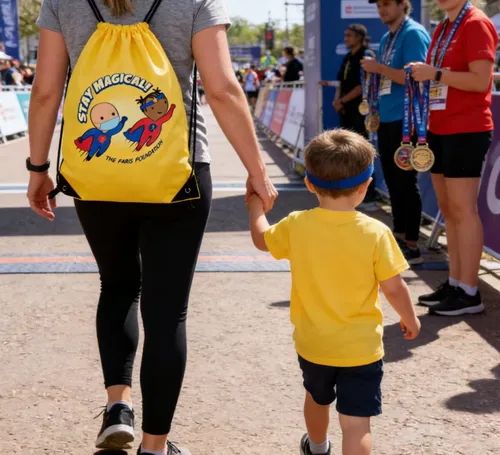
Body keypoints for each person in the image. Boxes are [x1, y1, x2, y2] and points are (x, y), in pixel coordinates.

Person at [28, 1, 278, 455]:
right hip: (178, 172)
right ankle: (154, 447)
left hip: (98, 174)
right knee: (167, 312)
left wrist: (39, 167)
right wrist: (256, 170)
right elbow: (222, 89)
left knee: (117, 285)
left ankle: (117, 406)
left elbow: (46, 91)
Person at [248, 129, 421, 455]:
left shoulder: (297, 224)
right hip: (361, 348)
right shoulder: (376, 232)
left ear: (310, 184)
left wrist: (256, 207)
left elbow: (261, 239)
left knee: (317, 399)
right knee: (356, 424)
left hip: (314, 344)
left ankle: (317, 447)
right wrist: (409, 319)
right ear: (366, 185)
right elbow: (394, 287)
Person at [410, 0, 497, 316]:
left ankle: (469, 292)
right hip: (440, 126)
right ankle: (457, 282)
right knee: (449, 210)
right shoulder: (444, 27)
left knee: (463, 210)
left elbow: (480, 81)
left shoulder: (475, 22)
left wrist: (434, 73)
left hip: (466, 128)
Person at [362, 0, 431, 265]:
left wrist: (378, 68)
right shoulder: (387, 38)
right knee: (392, 180)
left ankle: (412, 244)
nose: (382, 9)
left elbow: (415, 76)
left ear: (403, 4)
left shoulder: (413, 33)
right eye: (379, 4)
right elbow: (388, 77)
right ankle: (399, 235)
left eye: (387, 3)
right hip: (389, 117)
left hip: (408, 119)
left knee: (405, 181)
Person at [335, 24, 378, 211]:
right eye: (345, 35)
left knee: (362, 153)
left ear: (360, 37)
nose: (346, 38)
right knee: (348, 153)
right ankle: (351, 195)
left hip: (361, 112)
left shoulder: (366, 56)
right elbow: (340, 82)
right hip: (346, 111)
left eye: (349, 35)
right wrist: (337, 100)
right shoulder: (347, 57)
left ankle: (369, 196)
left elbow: (363, 85)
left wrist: (343, 100)